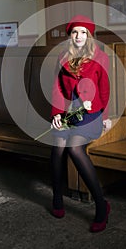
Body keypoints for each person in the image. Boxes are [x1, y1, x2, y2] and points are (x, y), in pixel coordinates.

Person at [50, 15, 111, 233]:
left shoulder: (101, 58)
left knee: (74, 149)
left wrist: (105, 118)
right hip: (68, 113)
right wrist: (57, 114)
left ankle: (102, 206)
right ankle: (57, 198)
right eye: (75, 32)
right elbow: (58, 88)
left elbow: (104, 90)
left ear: (89, 35)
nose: (79, 36)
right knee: (57, 147)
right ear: (70, 35)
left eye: (83, 32)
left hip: (91, 113)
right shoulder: (62, 56)